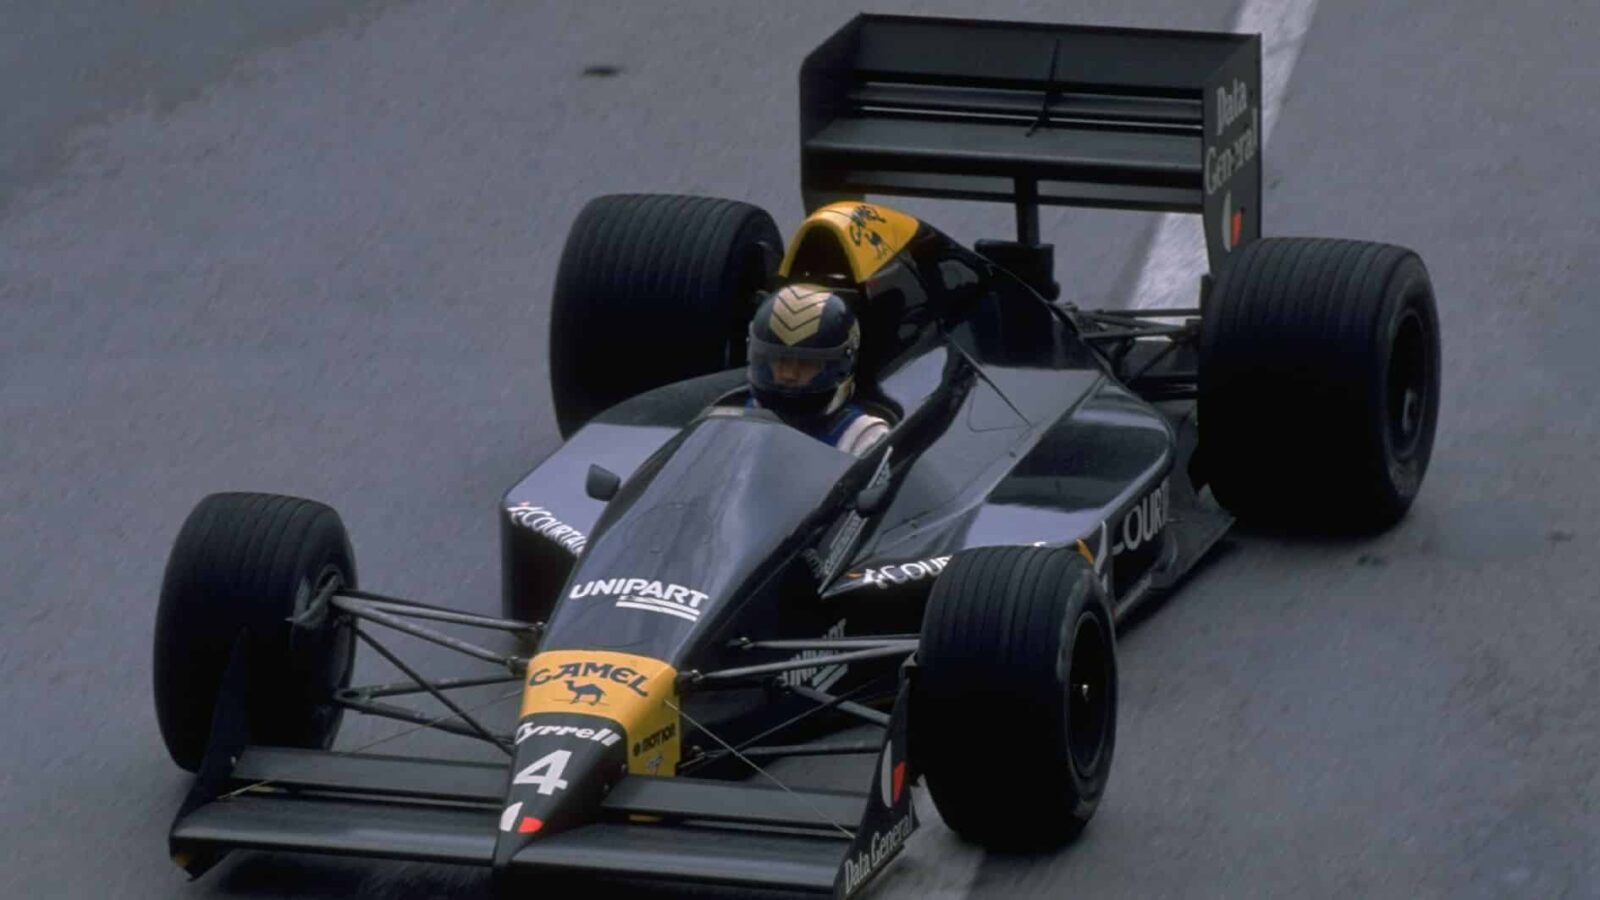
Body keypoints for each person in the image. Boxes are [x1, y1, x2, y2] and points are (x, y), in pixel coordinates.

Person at [743, 283, 890, 457]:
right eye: (780, 360)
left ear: (840, 366)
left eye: (806, 363)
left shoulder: (862, 437)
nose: (789, 374)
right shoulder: (736, 418)